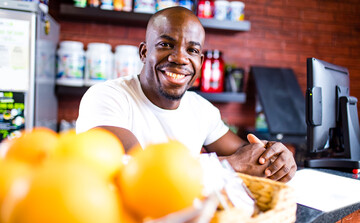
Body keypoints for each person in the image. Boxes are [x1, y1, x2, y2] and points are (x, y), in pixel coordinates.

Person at [76, 6, 296, 182]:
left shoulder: (202, 110)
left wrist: (277, 159)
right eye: (165, 44)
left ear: (200, 62)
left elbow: (249, 155)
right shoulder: (107, 97)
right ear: (144, 52)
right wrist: (231, 164)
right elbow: (138, 170)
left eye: (192, 50)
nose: (180, 58)